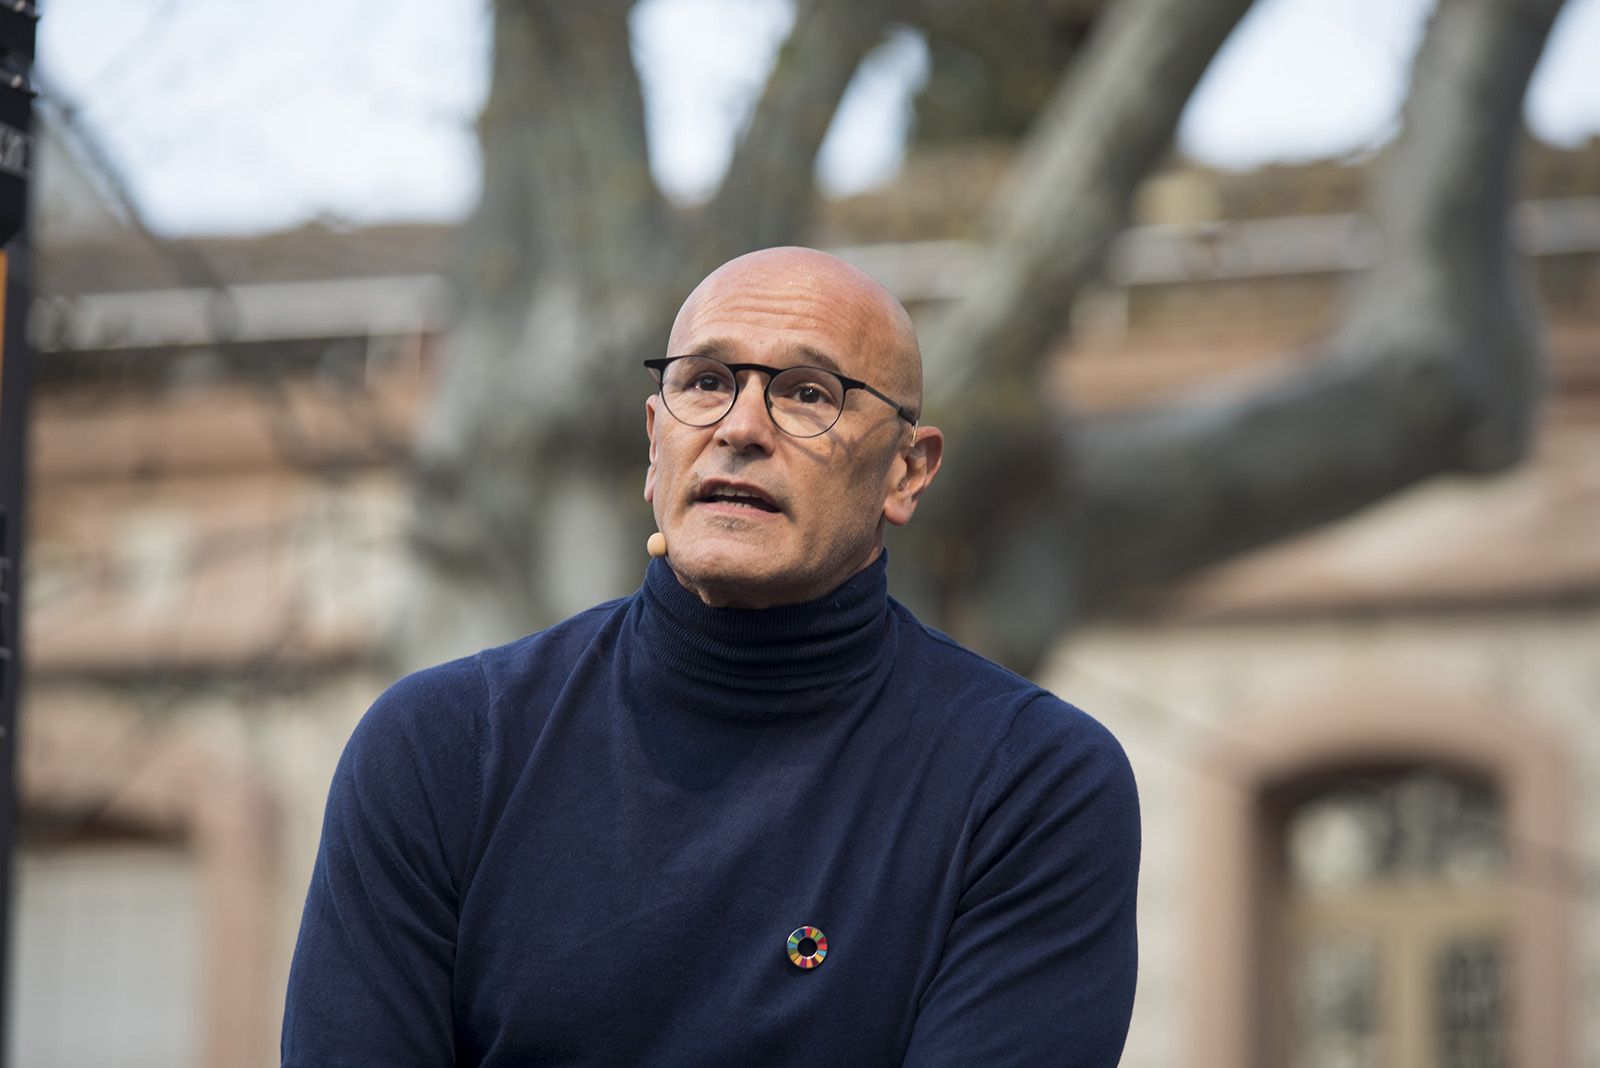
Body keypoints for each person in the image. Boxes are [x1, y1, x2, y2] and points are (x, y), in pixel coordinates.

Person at [282, 247, 1140, 1066]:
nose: (741, 427)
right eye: (705, 382)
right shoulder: (443, 748)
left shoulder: (1028, 783)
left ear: (906, 473)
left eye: (808, 393)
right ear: (655, 444)